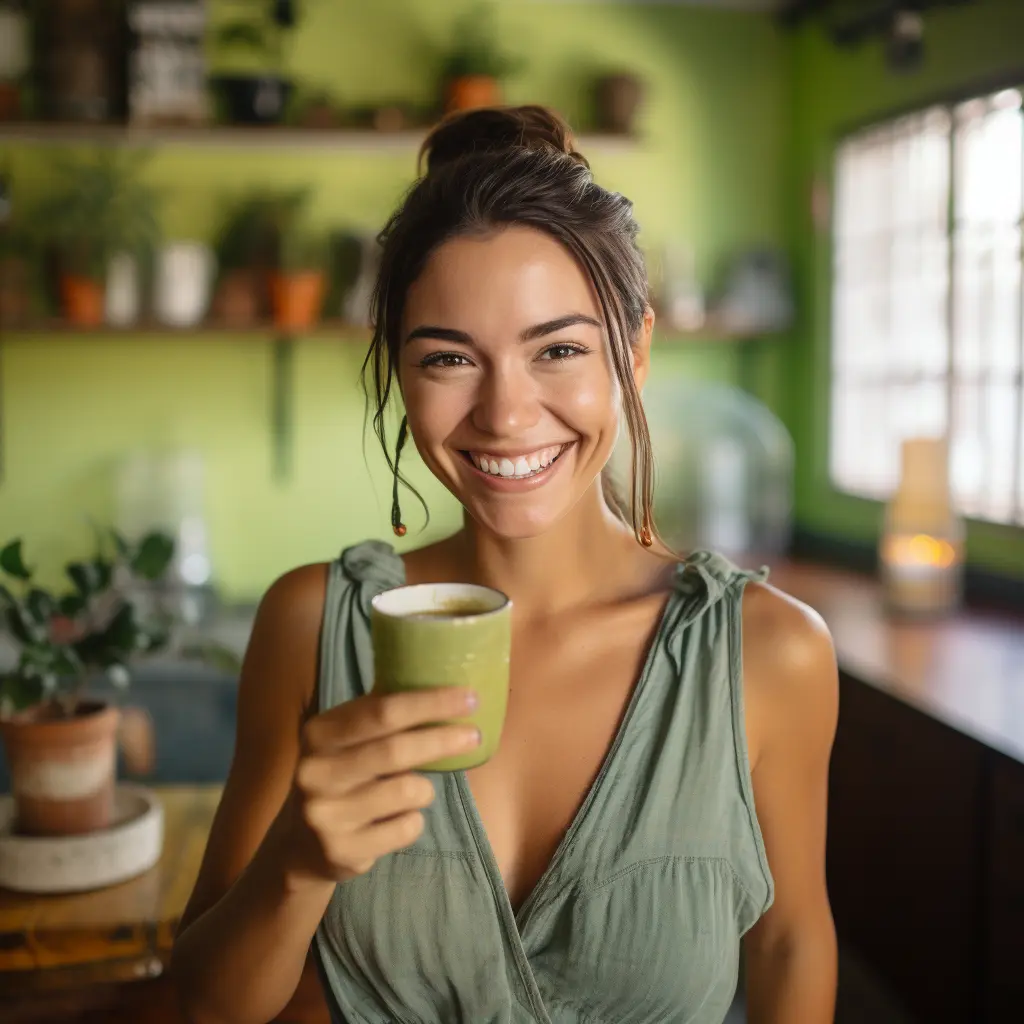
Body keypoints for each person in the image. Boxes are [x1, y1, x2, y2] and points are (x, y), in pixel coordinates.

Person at [171, 105, 839, 1024]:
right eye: (449, 358)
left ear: (634, 352)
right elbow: (204, 1008)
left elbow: (790, 941)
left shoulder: (771, 653)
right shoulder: (311, 623)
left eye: (558, 350)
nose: (506, 415)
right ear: (399, 374)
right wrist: (297, 863)